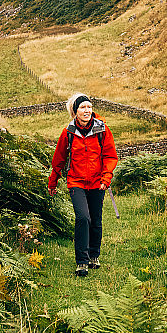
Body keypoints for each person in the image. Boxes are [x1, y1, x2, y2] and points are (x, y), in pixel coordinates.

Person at [48, 94, 118, 277]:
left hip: (98, 182)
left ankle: (94, 255)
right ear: (75, 111)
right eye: (82, 107)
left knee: (95, 220)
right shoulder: (68, 132)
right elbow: (59, 159)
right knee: (83, 218)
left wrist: (106, 178)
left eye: (89, 107)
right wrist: (53, 181)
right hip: (75, 181)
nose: (87, 110)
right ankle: (82, 261)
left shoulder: (102, 130)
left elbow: (110, 156)